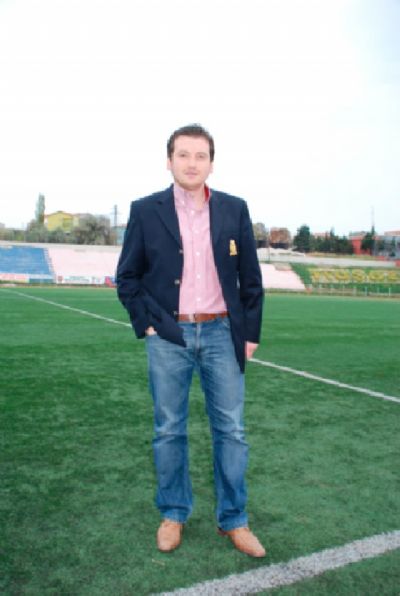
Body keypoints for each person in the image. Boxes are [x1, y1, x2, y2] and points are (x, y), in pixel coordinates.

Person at [116, 124, 265, 557]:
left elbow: (251, 280)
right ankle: (174, 513)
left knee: (231, 431)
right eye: (183, 155)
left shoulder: (235, 209)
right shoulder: (146, 210)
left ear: (211, 164)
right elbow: (127, 277)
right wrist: (148, 324)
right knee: (169, 429)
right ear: (169, 161)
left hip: (222, 333)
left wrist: (249, 335)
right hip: (169, 334)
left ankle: (234, 519)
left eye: (201, 156)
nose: (192, 163)